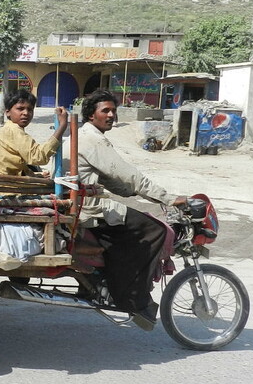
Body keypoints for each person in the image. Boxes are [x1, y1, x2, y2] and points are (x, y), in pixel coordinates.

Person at [77, 88, 187, 331]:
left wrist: (135, 193)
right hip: (87, 207)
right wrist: (167, 198)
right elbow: (129, 175)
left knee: (131, 222)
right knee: (155, 229)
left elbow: (115, 181)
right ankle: (131, 297)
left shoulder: (87, 137)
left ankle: (104, 281)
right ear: (90, 114)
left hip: (84, 202)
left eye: (113, 111)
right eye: (105, 110)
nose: (111, 115)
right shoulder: (92, 140)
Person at [0, 89, 68, 176]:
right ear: (8, 112)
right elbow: (38, 156)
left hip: (0, 183)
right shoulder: (13, 130)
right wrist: (62, 126)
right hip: (4, 186)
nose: (26, 113)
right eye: (20, 109)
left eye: (30, 110)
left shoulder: (8, 129)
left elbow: (20, 166)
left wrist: (37, 176)